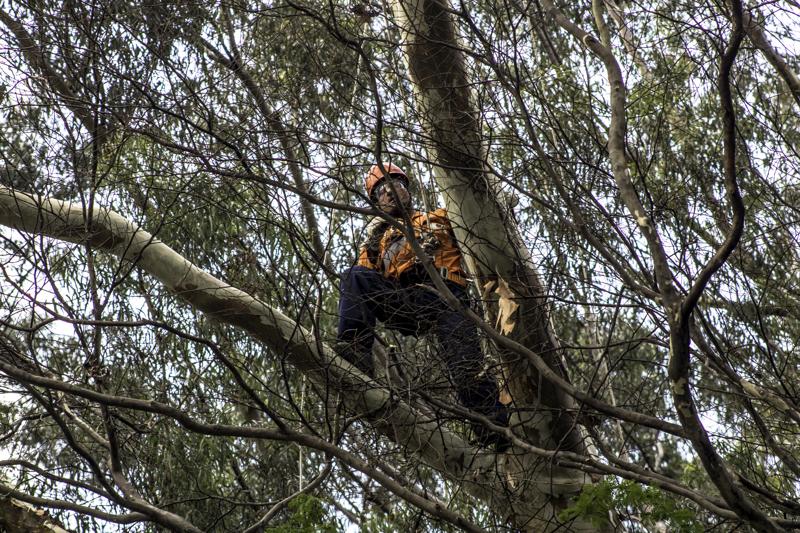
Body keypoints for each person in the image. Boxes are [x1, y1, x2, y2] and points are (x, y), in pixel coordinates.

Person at [336, 162, 509, 449]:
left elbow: (479, 221)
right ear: (376, 203)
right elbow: (362, 284)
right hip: (407, 300)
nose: (390, 192)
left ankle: (493, 428)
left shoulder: (439, 217)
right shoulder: (377, 243)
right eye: (382, 191)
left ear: (408, 190)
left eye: (396, 185)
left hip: (447, 297)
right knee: (354, 276)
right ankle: (355, 351)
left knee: (466, 367)